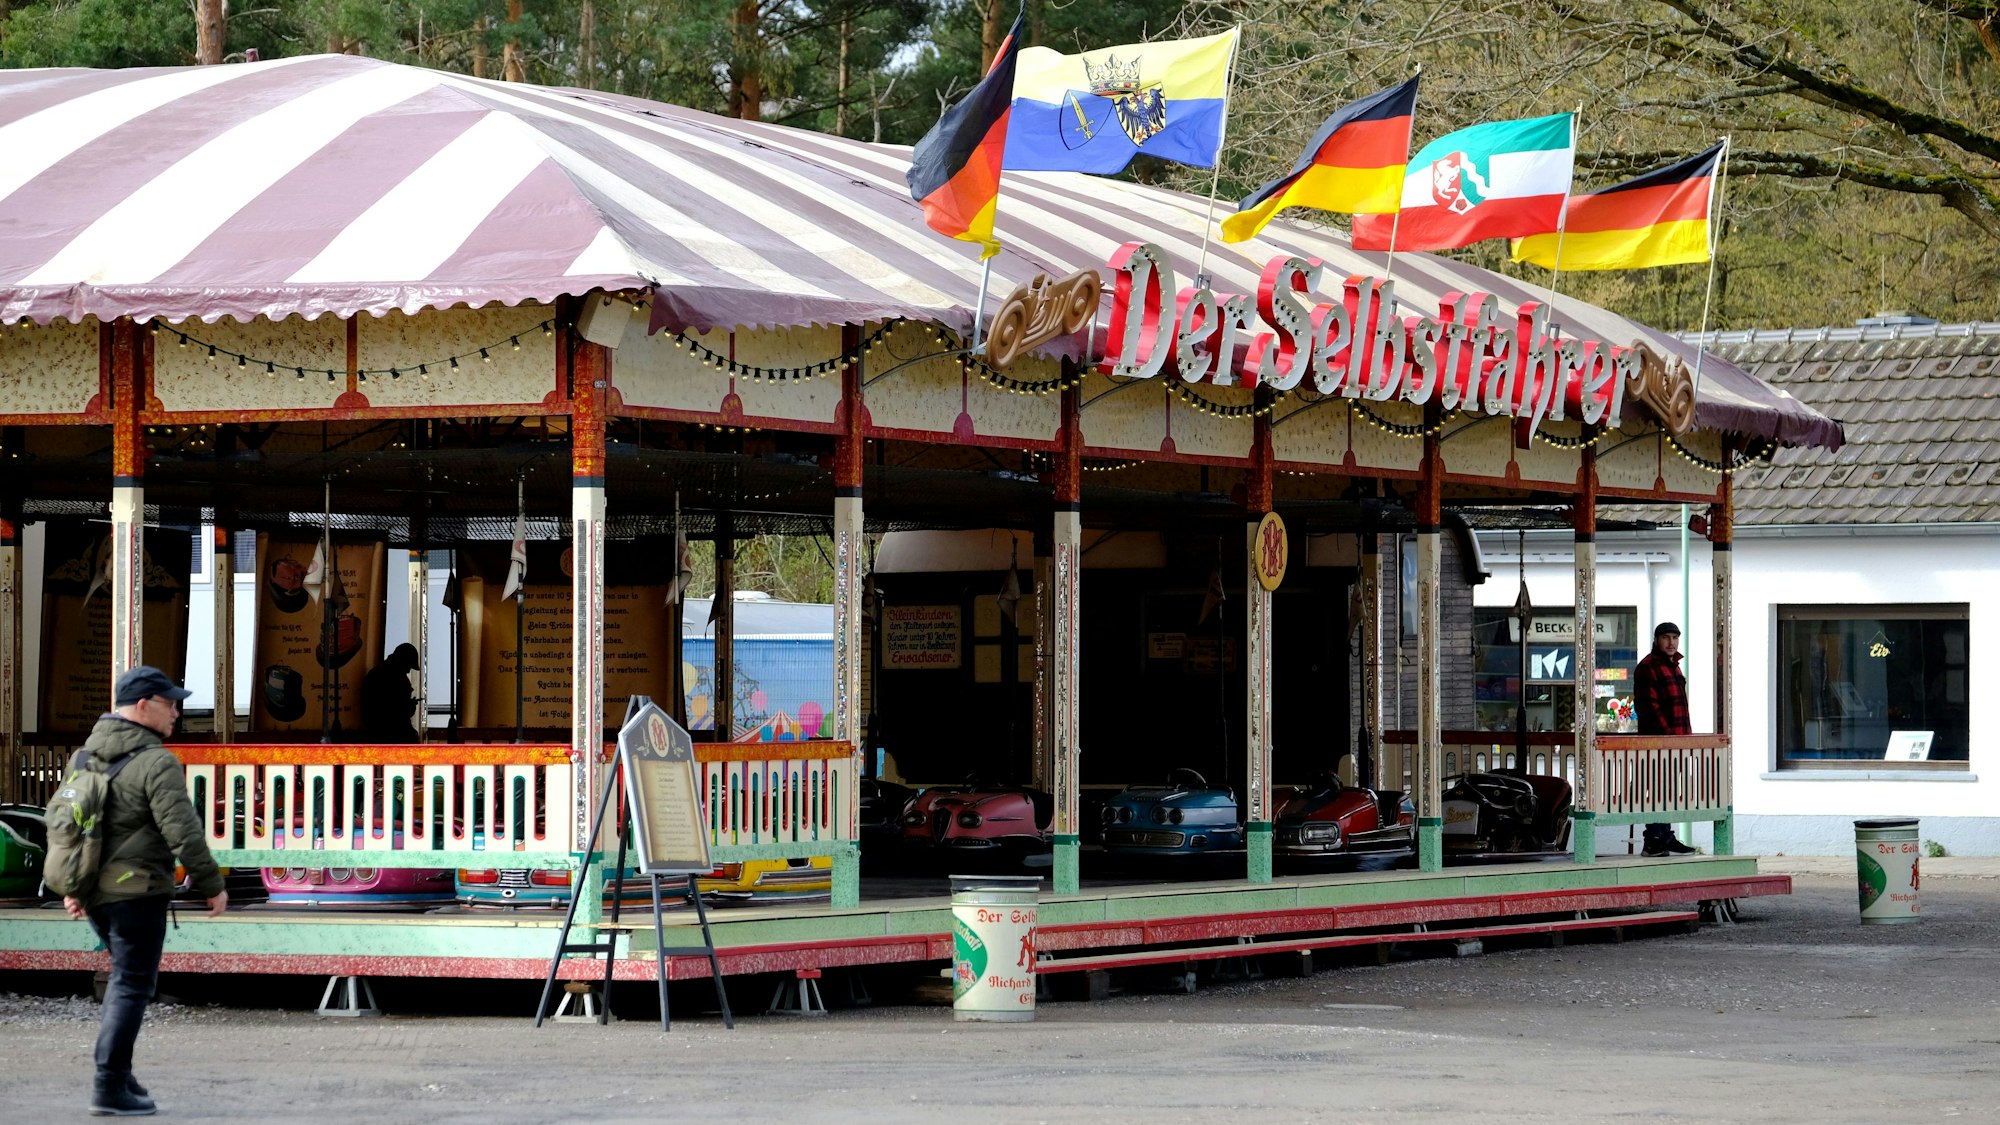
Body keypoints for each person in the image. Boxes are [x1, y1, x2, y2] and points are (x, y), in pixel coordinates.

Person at [61, 665, 226, 1117]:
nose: (176, 711)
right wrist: (212, 884)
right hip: (138, 893)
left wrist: (73, 887)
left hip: (95, 894)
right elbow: (184, 833)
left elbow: (69, 829)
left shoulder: (83, 758)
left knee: (123, 981)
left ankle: (119, 1075)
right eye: (169, 702)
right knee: (133, 985)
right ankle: (109, 1085)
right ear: (142, 706)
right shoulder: (156, 762)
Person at [1633, 623, 1698, 856]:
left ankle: (1666, 836)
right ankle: (1654, 838)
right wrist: (1667, 732)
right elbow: (1648, 707)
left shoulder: (1674, 667)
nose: (1671, 642)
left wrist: (1682, 739)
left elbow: (1681, 708)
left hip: (1677, 742)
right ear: (1656, 640)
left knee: (1668, 789)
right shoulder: (1648, 667)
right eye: (1666, 638)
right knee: (1656, 788)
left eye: (1675, 638)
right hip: (1656, 742)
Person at [359, 642, 421, 743]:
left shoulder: (379, 674)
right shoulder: (383, 677)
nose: (408, 671)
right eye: (408, 666)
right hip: (389, 737)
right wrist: (408, 706)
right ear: (402, 661)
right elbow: (389, 712)